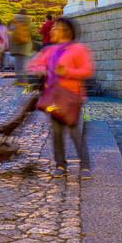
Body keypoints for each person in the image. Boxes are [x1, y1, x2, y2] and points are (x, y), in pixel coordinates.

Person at [27, 17, 94, 178]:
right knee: (56, 131)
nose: (51, 30)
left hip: (71, 97)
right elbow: (33, 65)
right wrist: (41, 68)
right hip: (52, 98)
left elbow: (87, 70)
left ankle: (85, 166)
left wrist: (67, 72)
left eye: (55, 28)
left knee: (74, 131)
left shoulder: (78, 49)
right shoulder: (49, 51)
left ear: (65, 30)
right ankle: (60, 164)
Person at [9, 10, 33, 85]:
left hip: (16, 46)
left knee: (18, 65)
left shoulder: (14, 21)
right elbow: (31, 33)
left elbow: (11, 32)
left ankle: (19, 80)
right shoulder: (29, 22)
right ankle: (23, 81)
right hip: (26, 46)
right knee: (24, 65)